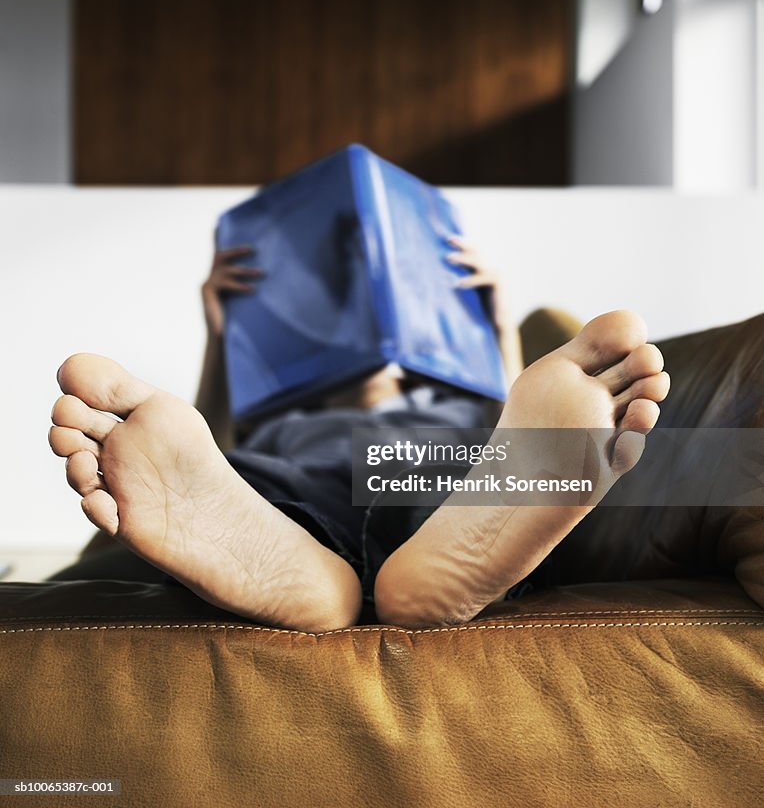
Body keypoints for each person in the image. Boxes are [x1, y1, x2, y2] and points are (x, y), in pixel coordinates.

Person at [48, 239, 669, 632]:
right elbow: (206, 440)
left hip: (441, 470)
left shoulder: (448, 401)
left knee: (475, 462)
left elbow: (512, 417)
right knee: (244, 474)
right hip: (279, 485)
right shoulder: (288, 409)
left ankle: (368, 564)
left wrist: (497, 324)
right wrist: (223, 335)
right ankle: (297, 561)